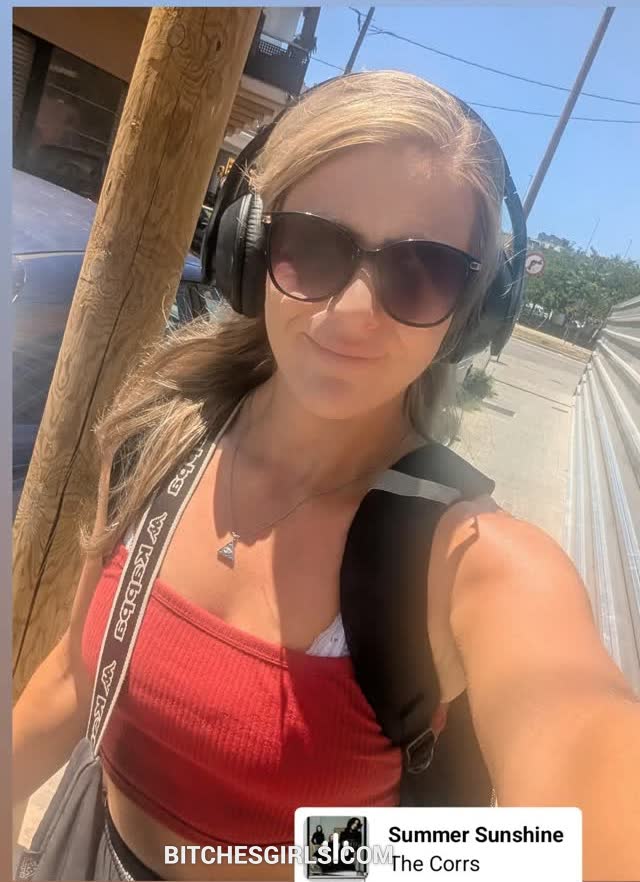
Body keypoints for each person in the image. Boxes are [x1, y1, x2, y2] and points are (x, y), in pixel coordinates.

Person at [12, 71, 640, 882]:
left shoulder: (474, 563)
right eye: (312, 247)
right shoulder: (157, 438)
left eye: (421, 271)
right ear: (248, 248)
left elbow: (566, 832)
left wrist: (317, 856)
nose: (352, 313)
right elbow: (72, 678)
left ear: (472, 311)